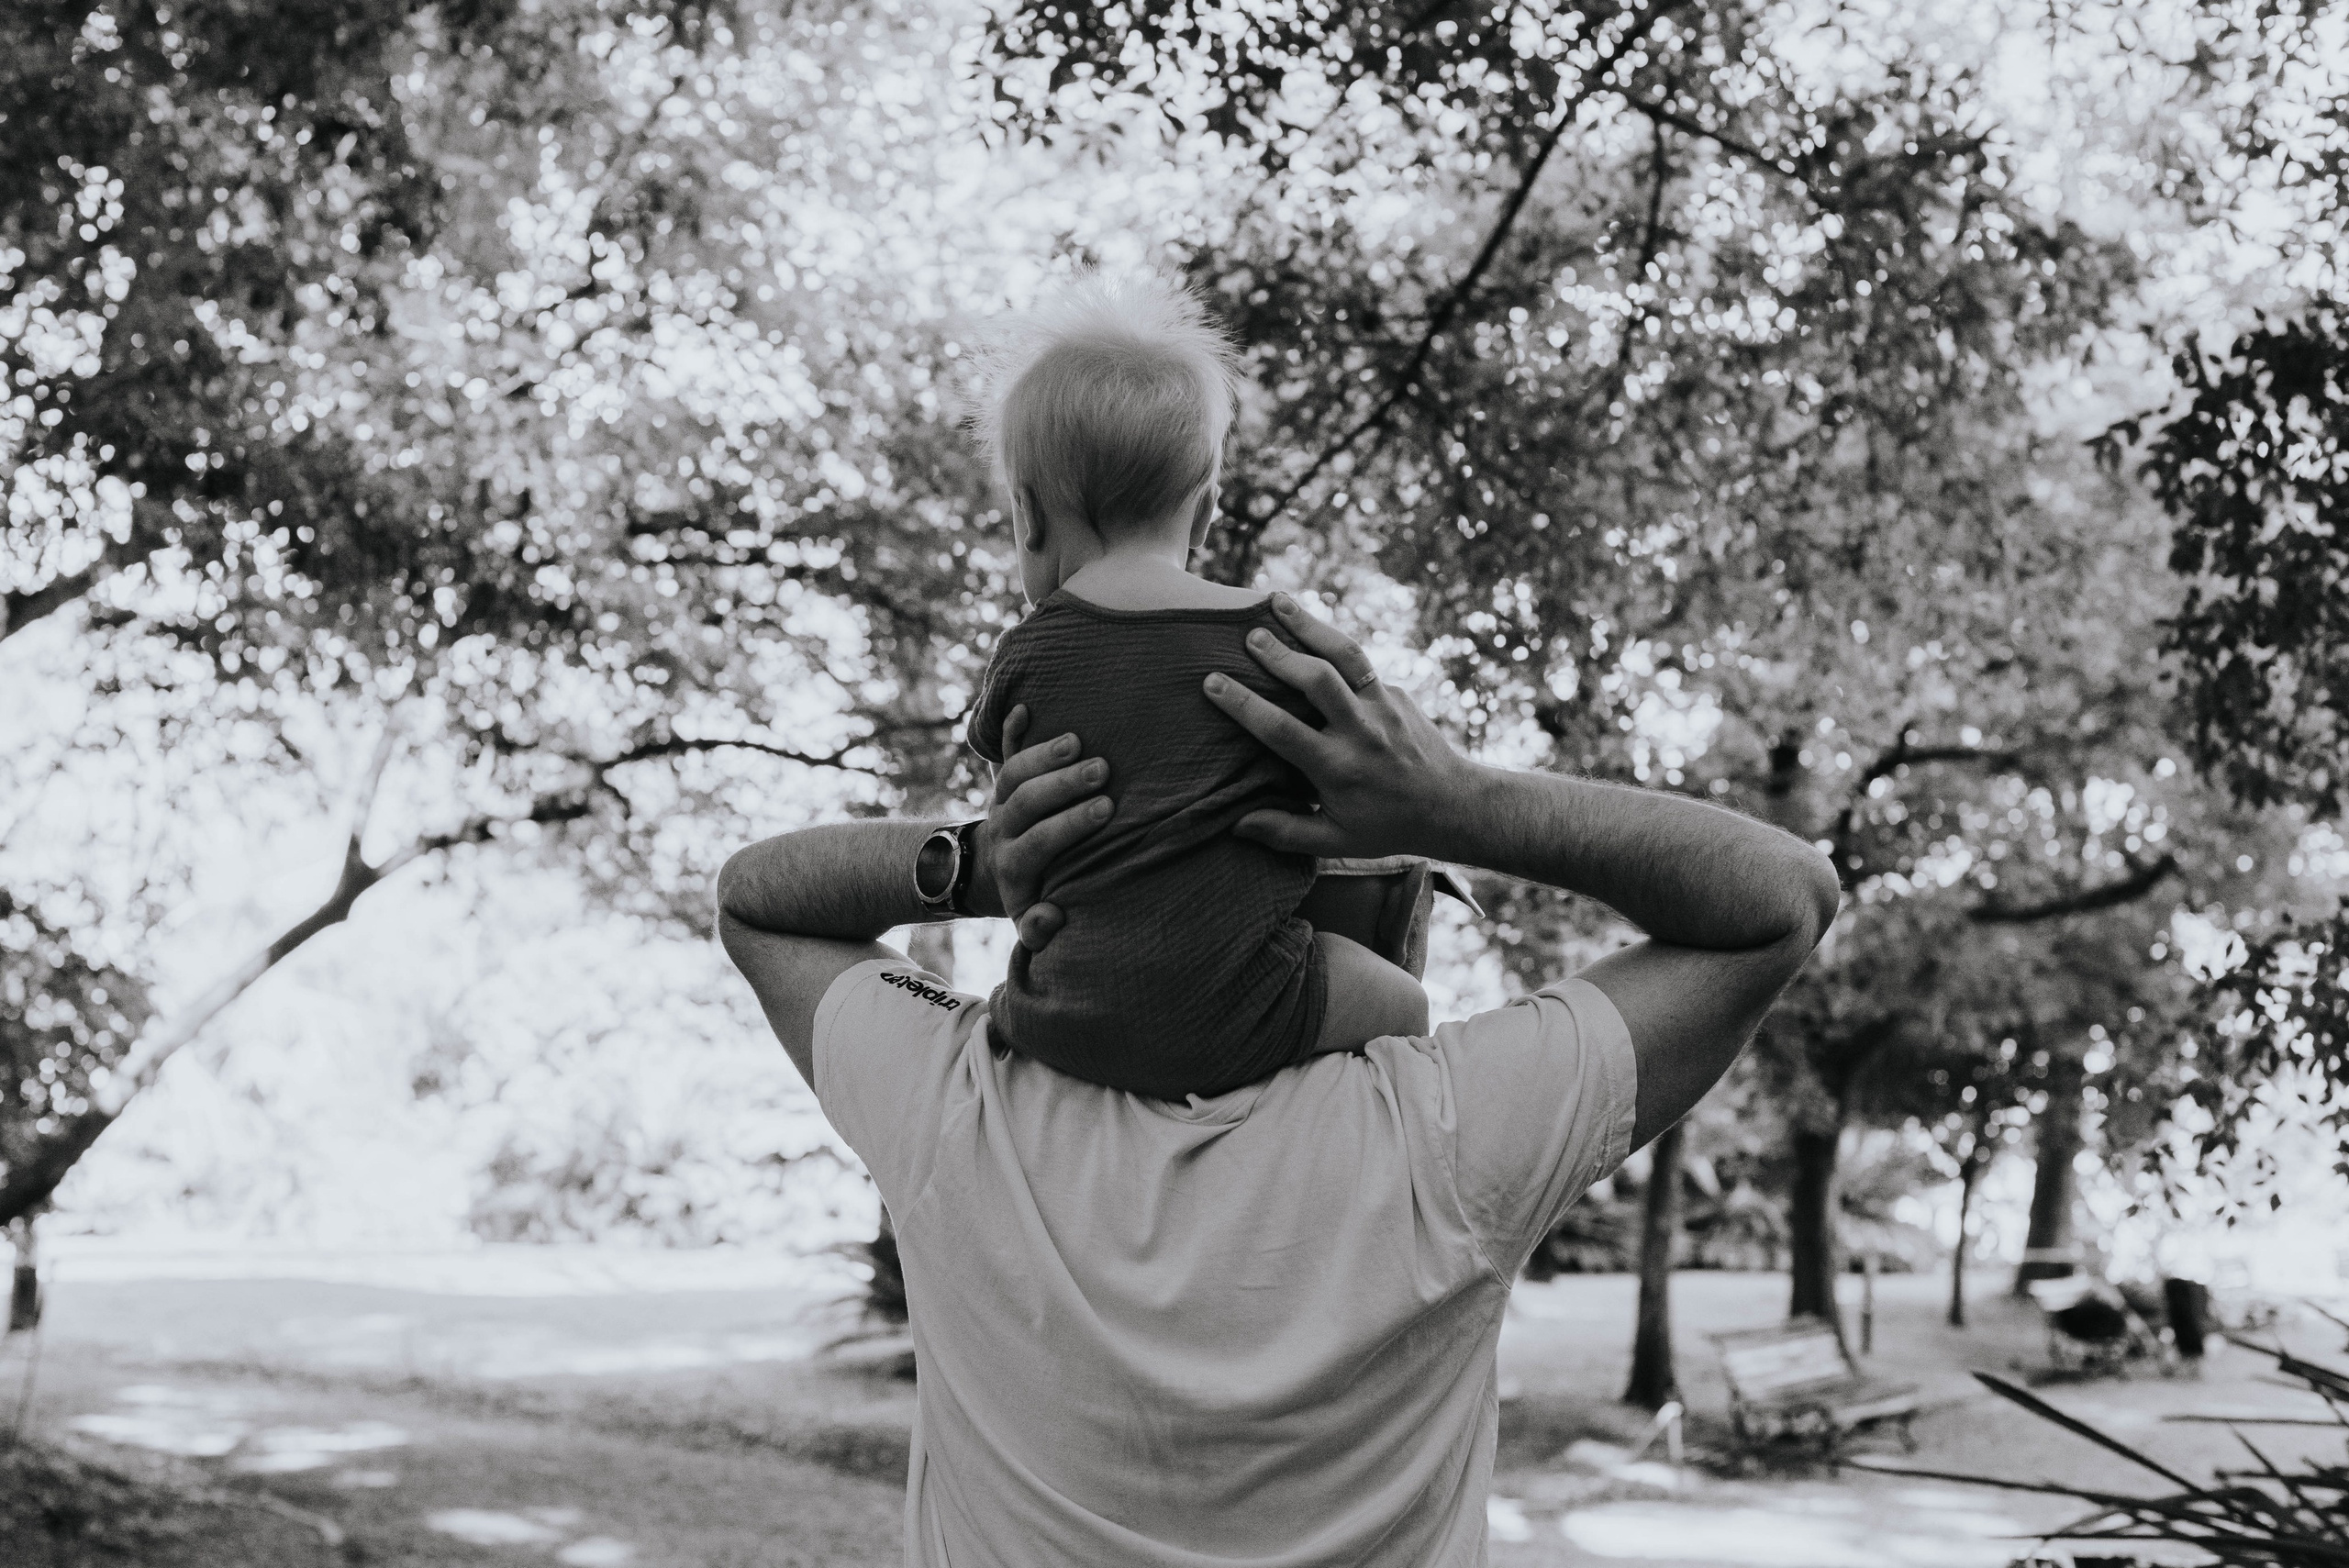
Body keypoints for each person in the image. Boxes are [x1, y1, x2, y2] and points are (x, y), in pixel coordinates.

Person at [717, 596, 1840, 1566]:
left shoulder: (963, 1105)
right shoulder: (1447, 1137)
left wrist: (992, 862)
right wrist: (1456, 802)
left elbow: (757, 899)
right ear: (1374, 909)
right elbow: (1779, 898)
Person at [963, 272, 1428, 1098]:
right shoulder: (1276, 639)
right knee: (1405, 1000)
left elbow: (999, 770)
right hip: (1246, 1014)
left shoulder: (1025, 655)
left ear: (1027, 516)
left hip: (1054, 1015)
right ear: (1207, 512)